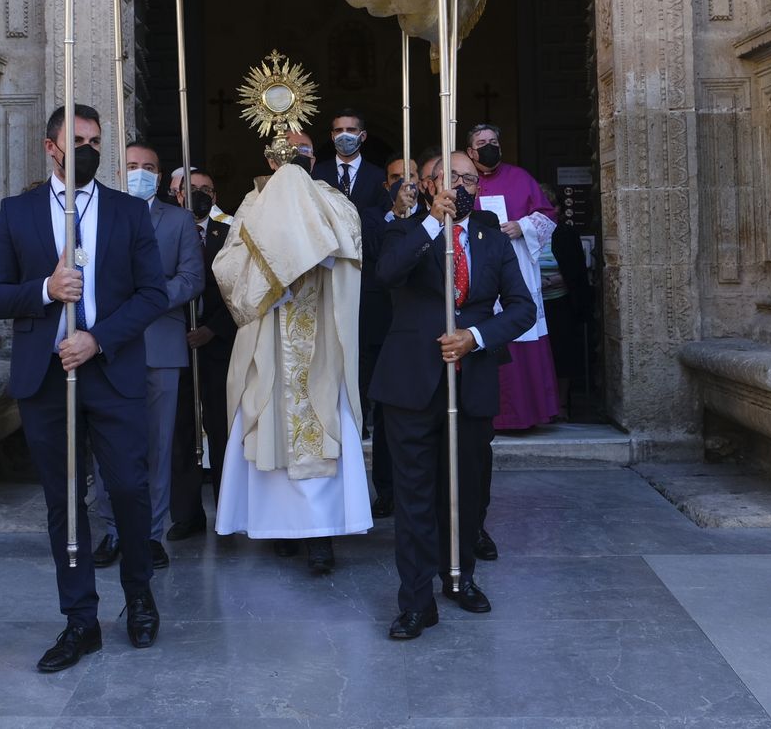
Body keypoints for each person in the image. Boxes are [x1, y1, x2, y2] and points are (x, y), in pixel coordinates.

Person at [0, 103, 168, 673]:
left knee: (130, 490)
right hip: (45, 376)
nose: (87, 149)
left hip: (110, 373)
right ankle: (80, 620)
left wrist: (97, 338)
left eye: (95, 141)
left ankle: (138, 595)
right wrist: (43, 288)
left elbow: (152, 294)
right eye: (77, 140)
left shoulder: (128, 213)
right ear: (50, 147)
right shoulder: (17, 214)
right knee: (64, 501)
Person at [372, 151, 537, 639]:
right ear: (426, 185)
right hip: (411, 384)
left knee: (464, 492)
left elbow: (523, 308)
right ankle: (416, 600)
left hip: (473, 382)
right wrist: (431, 225)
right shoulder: (404, 230)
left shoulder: (491, 239)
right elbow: (387, 275)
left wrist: (477, 336)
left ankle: (459, 577)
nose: (460, 185)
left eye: (468, 178)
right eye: (448, 177)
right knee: (415, 496)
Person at [213, 129, 372, 574]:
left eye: (302, 151)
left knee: (321, 426)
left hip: (319, 335)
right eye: (285, 152)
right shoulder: (251, 204)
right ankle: (277, 528)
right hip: (269, 333)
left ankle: (320, 537)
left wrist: (320, 255)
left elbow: (352, 250)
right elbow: (226, 265)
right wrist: (268, 281)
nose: (294, 159)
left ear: (313, 158)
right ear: (269, 160)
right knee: (266, 425)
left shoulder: (334, 201)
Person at [89, 142, 203, 570]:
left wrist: (147, 300)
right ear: (121, 170)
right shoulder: (100, 213)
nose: (140, 172)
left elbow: (192, 278)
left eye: (149, 167)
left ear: (160, 176)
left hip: (161, 343)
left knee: (158, 445)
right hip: (108, 344)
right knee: (109, 445)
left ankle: (151, 533)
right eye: (133, 166)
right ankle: (114, 530)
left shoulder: (178, 221)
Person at [313, 110, 394, 517]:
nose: (344, 135)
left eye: (351, 130)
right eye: (337, 130)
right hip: (327, 290)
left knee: (372, 377)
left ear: (363, 135)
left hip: (371, 291)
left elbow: (382, 229)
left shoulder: (381, 176)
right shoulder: (317, 173)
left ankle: (383, 487)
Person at [466, 123, 560, 431]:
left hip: (516, 265)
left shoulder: (520, 178)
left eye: (493, 141)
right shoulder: (464, 180)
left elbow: (547, 214)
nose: (489, 146)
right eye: (482, 142)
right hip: (476, 271)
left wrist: (522, 227)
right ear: (470, 151)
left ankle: (523, 415)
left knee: (520, 332)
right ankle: (485, 415)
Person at [169, 169, 238, 540]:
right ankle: (186, 514)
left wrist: (212, 329)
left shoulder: (231, 230)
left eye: (205, 190)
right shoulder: (162, 227)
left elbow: (242, 287)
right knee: (182, 432)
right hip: (175, 343)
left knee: (223, 428)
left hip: (219, 345)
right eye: (190, 190)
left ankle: (227, 512)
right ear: (175, 193)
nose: (198, 195)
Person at [537, 182, 593, 418]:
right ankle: (539, 405)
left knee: (562, 355)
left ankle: (560, 405)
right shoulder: (524, 232)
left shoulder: (565, 234)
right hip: (533, 306)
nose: (545, 212)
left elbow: (576, 271)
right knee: (537, 355)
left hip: (560, 303)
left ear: (557, 209)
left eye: (550, 206)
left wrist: (552, 282)